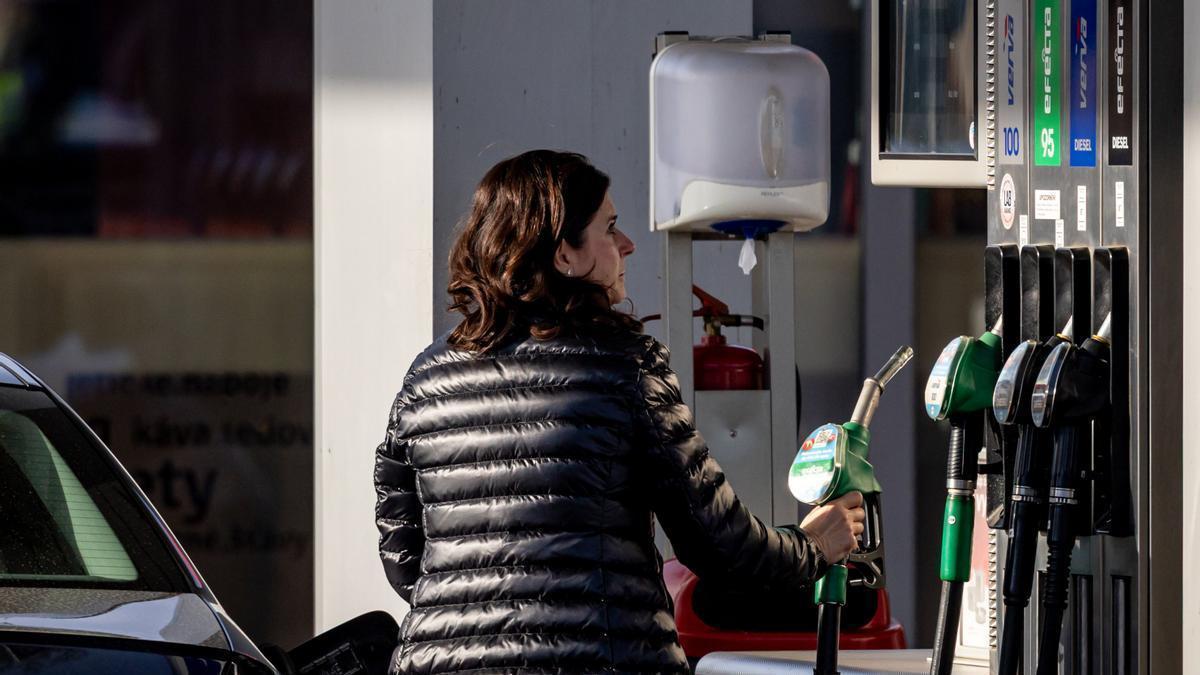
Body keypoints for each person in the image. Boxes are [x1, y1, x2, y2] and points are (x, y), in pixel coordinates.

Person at [375, 150, 866, 674]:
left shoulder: (425, 379)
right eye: (610, 228)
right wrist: (814, 544)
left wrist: (476, 615)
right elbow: (720, 547)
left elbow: (404, 554)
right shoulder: (625, 368)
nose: (628, 244)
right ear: (565, 253)